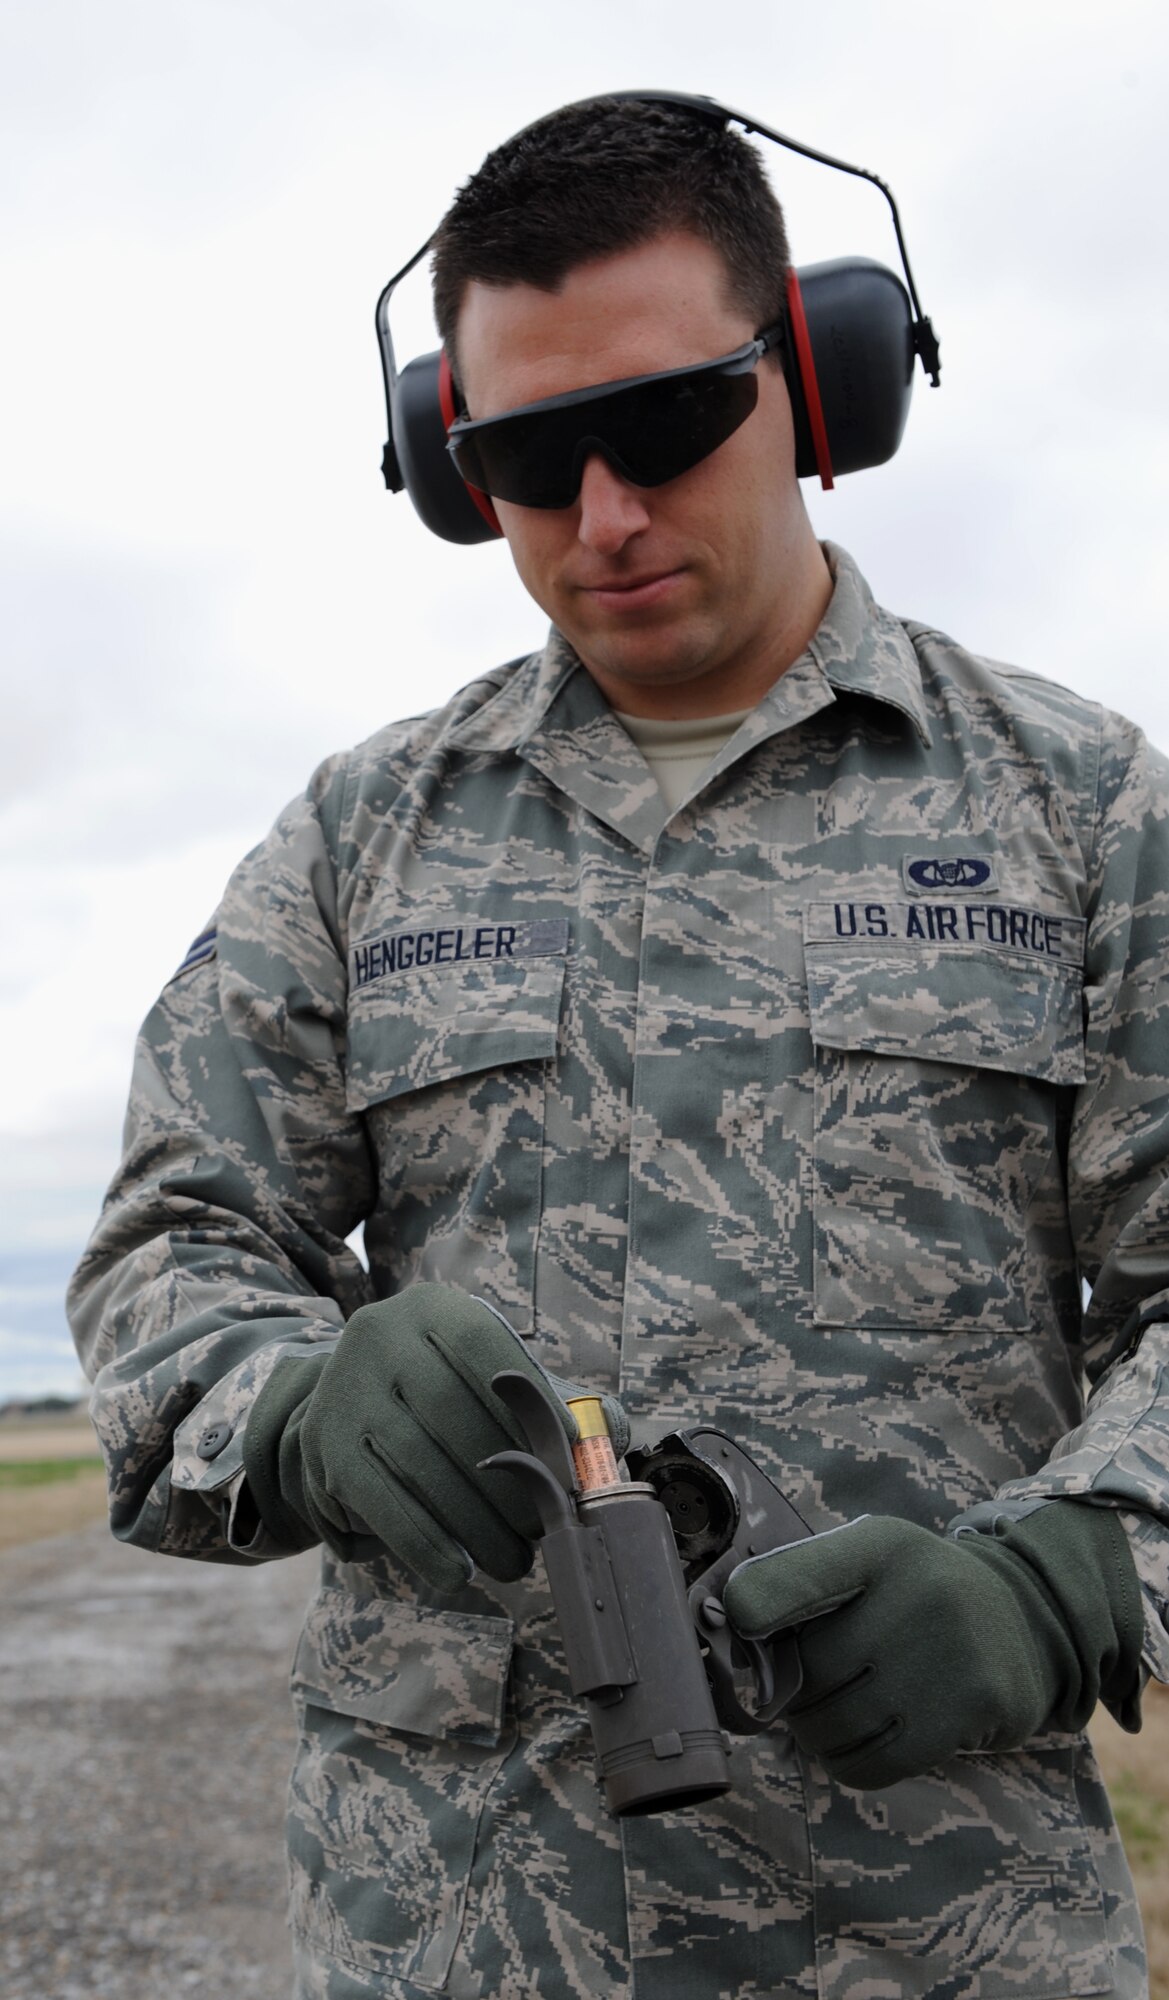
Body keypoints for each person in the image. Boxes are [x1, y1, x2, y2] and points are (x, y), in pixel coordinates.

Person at [68, 94, 1169, 2000]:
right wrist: (299, 1404)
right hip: (459, 1924)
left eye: (663, 423)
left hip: (939, 1924)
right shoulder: (359, 837)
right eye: (523, 458)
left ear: (818, 389)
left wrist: (1071, 1573)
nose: (603, 516)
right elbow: (173, 1246)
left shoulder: (1079, 817)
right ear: (445, 464)